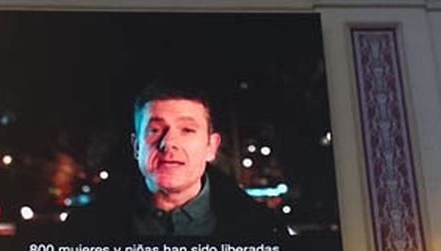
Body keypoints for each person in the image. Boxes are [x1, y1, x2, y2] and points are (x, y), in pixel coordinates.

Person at [67, 82, 281, 238]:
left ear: (211, 147)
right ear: (136, 146)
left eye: (187, 129)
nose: (168, 143)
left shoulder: (263, 230)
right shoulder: (83, 230)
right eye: (155, 130)